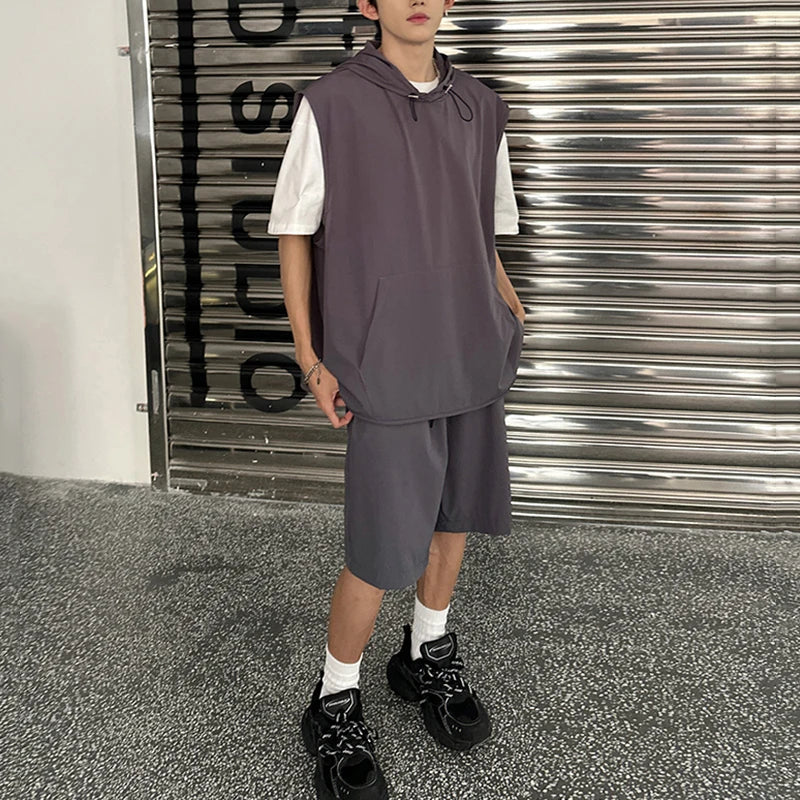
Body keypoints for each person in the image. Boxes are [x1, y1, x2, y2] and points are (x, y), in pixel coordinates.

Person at [269, 0, 523, 796]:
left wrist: (509, 310)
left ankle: (424, 653)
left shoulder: (482, 107)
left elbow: (485, 229)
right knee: (380, 546)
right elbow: (294, 230)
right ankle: (333, 698)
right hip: (384, 359)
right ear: (366, 4)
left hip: (468, 344)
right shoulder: (332, 104)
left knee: (454, 518)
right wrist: (311, 358)